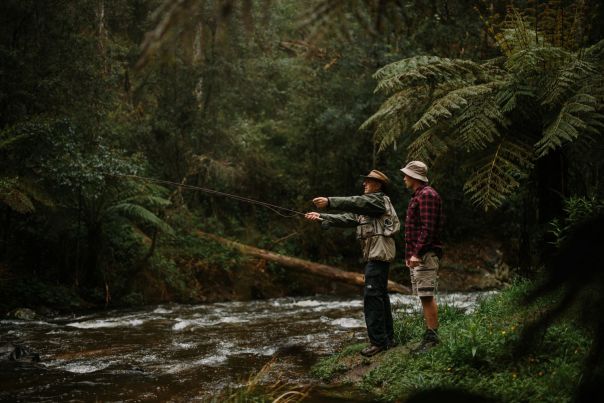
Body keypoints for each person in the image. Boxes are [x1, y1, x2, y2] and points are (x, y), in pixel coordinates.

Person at [305, 170, 400, 357]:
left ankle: (378, 342)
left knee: (372, 297)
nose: (364, 184)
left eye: (368, 182)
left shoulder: (378, 200)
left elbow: (356, 202)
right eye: (364, 181)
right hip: (375, 255)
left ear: (378, 185)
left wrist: (330, 202)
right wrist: (321, 217)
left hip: (378, 255)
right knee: (379, 296)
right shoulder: (367, 208)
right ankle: (387, 339)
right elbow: (347, 218)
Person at [401, 161, 444, 352]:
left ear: (414, 177)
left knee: (426, 295)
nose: (404, 178)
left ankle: (433, 338)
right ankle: (429, 335)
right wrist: (409, 255)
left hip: (425, 254)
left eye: (406, 174)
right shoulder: (418, 196)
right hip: (418, 255)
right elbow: (413, 230)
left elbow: (428, 228)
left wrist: (416, 253)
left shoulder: (427, 195)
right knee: (423, 295)